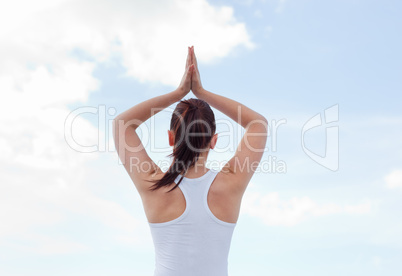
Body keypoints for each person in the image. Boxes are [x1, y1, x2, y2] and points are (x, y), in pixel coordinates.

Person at [113, 46, 268, 276]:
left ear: (170, 138)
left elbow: (122, 125)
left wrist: (180, 92)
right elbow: (258, 124)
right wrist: (202, 93)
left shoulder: (154, 184)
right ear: (213, 140)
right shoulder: (231, 183)